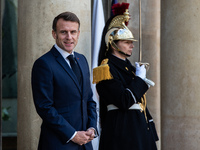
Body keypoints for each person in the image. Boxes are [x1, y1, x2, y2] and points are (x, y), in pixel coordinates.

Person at [93, 3, 159, 150]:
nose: (131, 45)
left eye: (131, 42)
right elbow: (124, 100)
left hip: (138, 133)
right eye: (126, 42)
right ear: (112, 43)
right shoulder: (106, 69)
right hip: (122, 136)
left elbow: (141, 105)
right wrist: (139, 80)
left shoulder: (129, 68)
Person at [31, 11, 98, 150]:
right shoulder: (44, 64)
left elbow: (89, 100)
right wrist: (73, 134)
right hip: (58, 143)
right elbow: (45, 107)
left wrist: (92, 127)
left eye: (73, 32)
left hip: (85, 144)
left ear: (78, 34)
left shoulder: (82, 60)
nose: (69, 37)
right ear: (54, 34)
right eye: (63, 32)